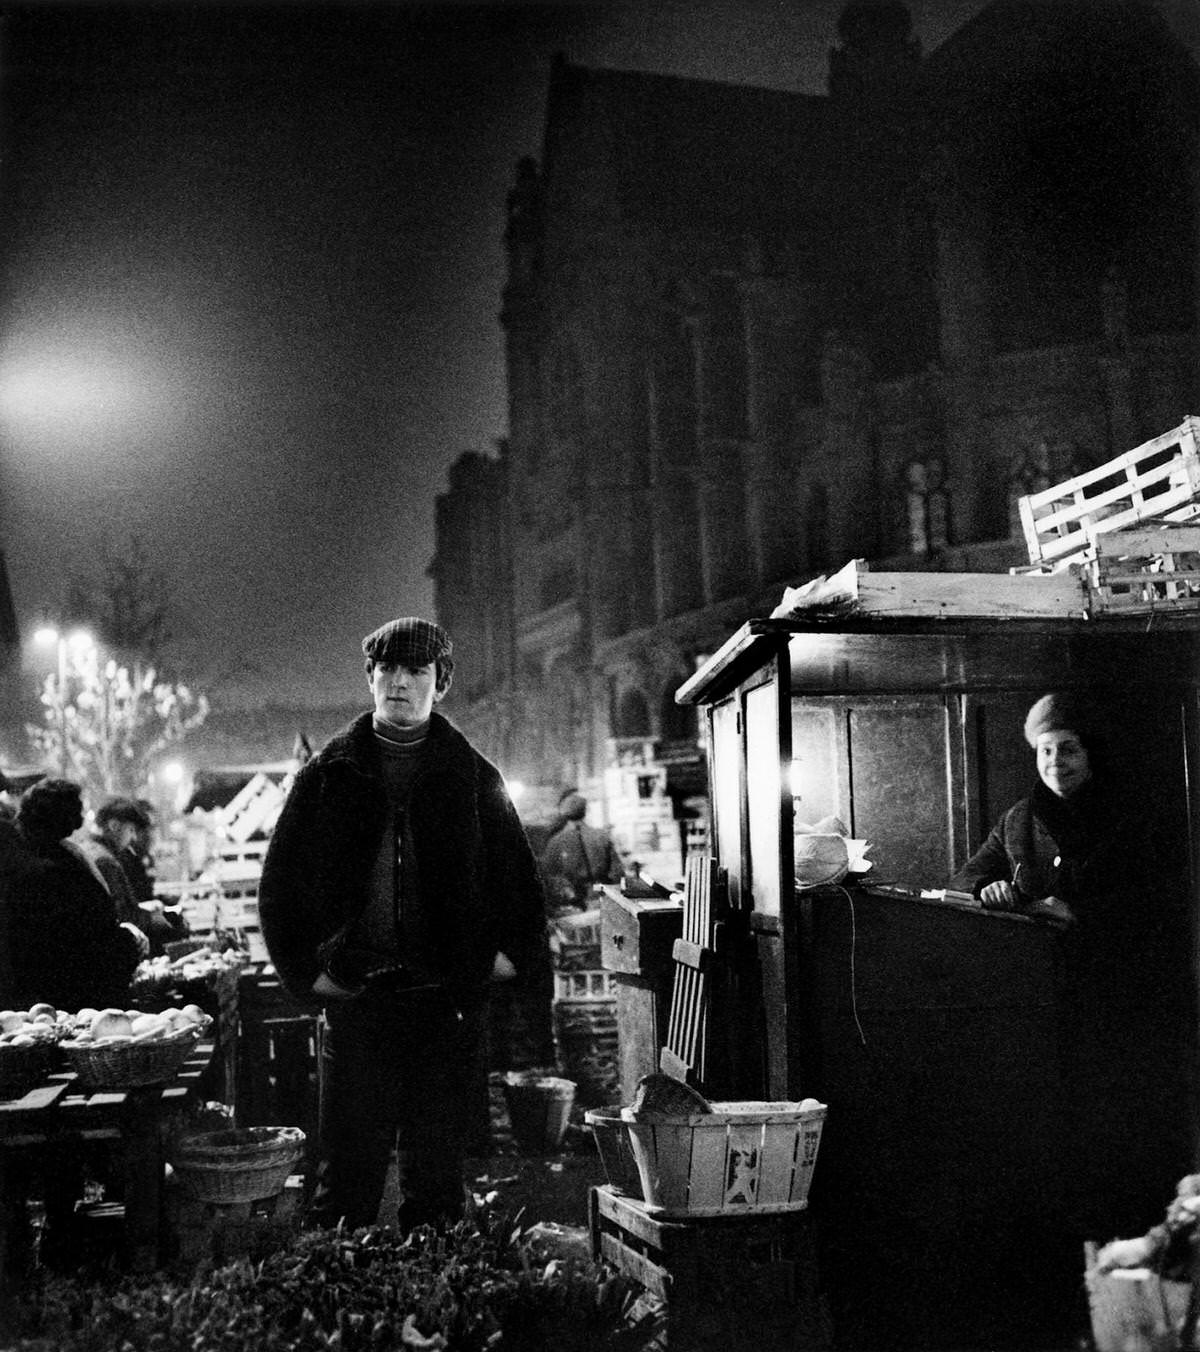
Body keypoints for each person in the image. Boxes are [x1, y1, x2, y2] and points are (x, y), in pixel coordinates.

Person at [258, 616, 549, 1233]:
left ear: (439, 683)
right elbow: (281, 884)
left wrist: (499, 961)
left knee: (438, 1184)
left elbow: (518, 882)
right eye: (387, 668)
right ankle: (344, 1309)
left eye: (416, 670)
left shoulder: (474, 776)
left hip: (443, 1008)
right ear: (369, 677)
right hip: (358, 1001)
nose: (399, 682)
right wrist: (308, 973)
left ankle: (435, 1314)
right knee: (346, 1183)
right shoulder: (327, 775)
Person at [950, 693, 1197, 1243]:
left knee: (1127, 1124)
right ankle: (1077, 1245)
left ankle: (1139, 1241)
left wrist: (1079, 914)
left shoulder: (1133, 814)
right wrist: (987, 888)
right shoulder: (1019, 819)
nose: (1055, 763)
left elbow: (1161, 903)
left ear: (1089, 755)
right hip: (1045, 999)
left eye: (1066, 750)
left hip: (1125, 997)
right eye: (1045, 752)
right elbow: (962, 879)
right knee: (1064, 1124)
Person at [0, 778, 147, 1011]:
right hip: (67, 1003)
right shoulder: (55, 869)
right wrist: (128, 942)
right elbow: (91, 941)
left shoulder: (28, 853)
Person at [80, 797, 183, 955]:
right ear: (114, 826)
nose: (134, 838)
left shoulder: (88, 849)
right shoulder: (105, 861)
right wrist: (151, 919)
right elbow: (120, 917)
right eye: (131, 830)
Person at [539, 789, 625, 910]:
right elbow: (618, 873)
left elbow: (548, 876)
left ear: (563, 813)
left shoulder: (555, 842)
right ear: (585, 811)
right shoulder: (601, 836)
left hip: (573, 906)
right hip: (602, 900)